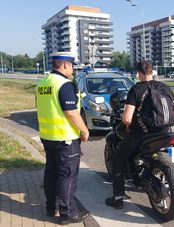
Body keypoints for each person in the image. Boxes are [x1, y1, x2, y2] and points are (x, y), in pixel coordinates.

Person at [105, 60, 174, 209]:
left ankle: (118, 198)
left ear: (139, 73)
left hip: (142, 135)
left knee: (118, 160)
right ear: (152, 71)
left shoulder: (136, 89)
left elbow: (126, 118)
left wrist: (130, 124)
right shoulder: (165, 87)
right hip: (165, 133)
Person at [36, 52, 90, 225]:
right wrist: (84, 130)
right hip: (65, 138)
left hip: (47, 136)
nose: (73, 69)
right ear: (66, 65)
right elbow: (71, 113)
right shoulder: (64, 84)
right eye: (72, 66)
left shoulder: (43, 83)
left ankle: (51, 208)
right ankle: (68, 214)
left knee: (51, 173)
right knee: (67, 176)